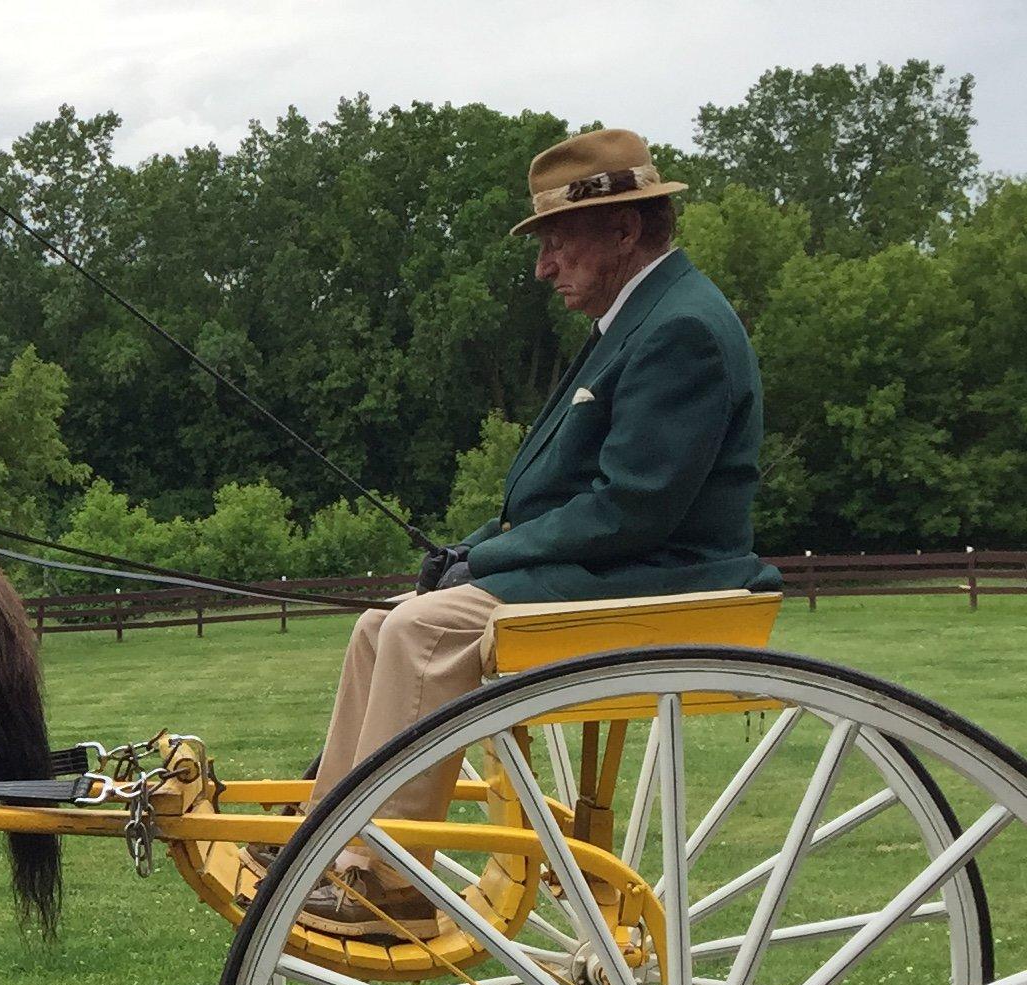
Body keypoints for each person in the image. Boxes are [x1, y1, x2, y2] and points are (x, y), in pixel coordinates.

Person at [300, 127, 780, 935]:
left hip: (665, 573)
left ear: (624, 230)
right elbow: (560, 499)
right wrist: (469, 550)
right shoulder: (641, 320)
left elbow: (634, 508)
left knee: (420, 631)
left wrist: (483, 557)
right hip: (623, 562)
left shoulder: (680, 330)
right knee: (380, 625)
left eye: (557, 243)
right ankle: (320, 849)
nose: (543, 268)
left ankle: (385, 880)